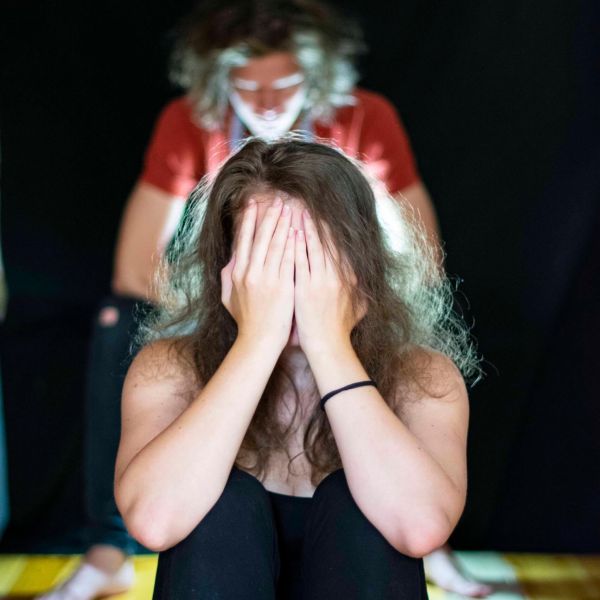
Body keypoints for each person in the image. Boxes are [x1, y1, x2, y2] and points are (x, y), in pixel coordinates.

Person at [38, 1, 444, 598]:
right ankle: (106, 544)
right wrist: (249, 323)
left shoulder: (364, 116)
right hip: (216, 308)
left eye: (285, 84)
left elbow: (424, 254)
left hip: (364, 313)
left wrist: (334, 321)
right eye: (249, 87)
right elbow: (132, 266)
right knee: (118, 323)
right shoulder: (192, 122)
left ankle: (431, 511)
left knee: (379, 486)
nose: (269, 103)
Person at [114, 137, 479, 599]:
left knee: (360, 504)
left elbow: (420, 528)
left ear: (361, 263)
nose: (289, 277)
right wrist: (256, 340)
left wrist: (328, 342)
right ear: (226, 268)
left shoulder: (424, 380)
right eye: (264, 254)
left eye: (312, 255)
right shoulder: (168, 370)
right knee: (220, 501)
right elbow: (155, 522)